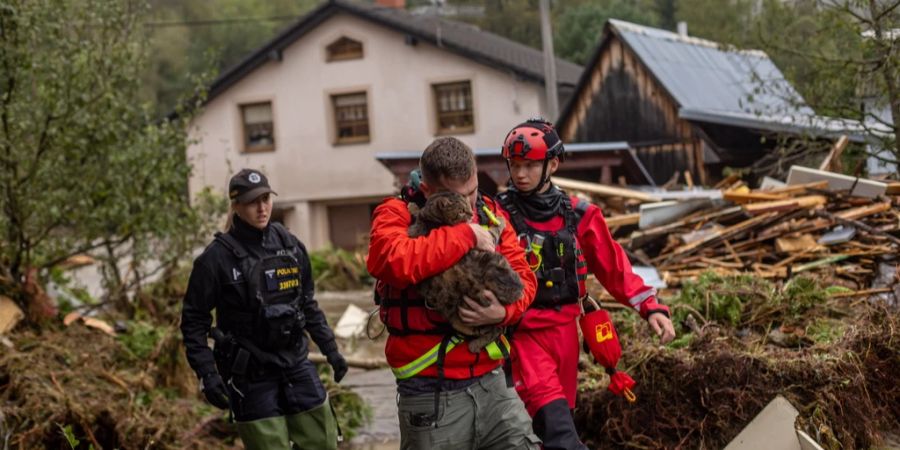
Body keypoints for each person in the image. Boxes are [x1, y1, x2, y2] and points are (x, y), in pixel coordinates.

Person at [495, 118, 677, 450]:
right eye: (514, 165)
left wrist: (650, 307)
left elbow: (614, 267)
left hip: (566, 335)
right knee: (560, 433)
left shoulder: (581, 214)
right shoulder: (497, 216)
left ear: (552, 164)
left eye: (529, 166)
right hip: (522, 335)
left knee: (556, 425)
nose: (519, 174)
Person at [367, 137, 542, 450]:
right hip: (428, 389)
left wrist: (505, 313)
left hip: (493, 383)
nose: (471, 204)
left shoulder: (489, 212)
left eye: (473, 191)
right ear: (429, 191)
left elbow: (525, 277)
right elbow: (392, 260)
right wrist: (465, 235)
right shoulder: (396, 213)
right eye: (459, 196)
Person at [181, 169, 348, 450]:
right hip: (251, 375)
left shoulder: (290, 245)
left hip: (295, 363)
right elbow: (193, 322)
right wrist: (207, 374)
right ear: (235, 206)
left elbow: (307, 304)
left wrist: (331, 349)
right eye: (251, 201)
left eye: (266, 198)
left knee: (324, 441)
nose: (262, 208)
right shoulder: (215, 259)